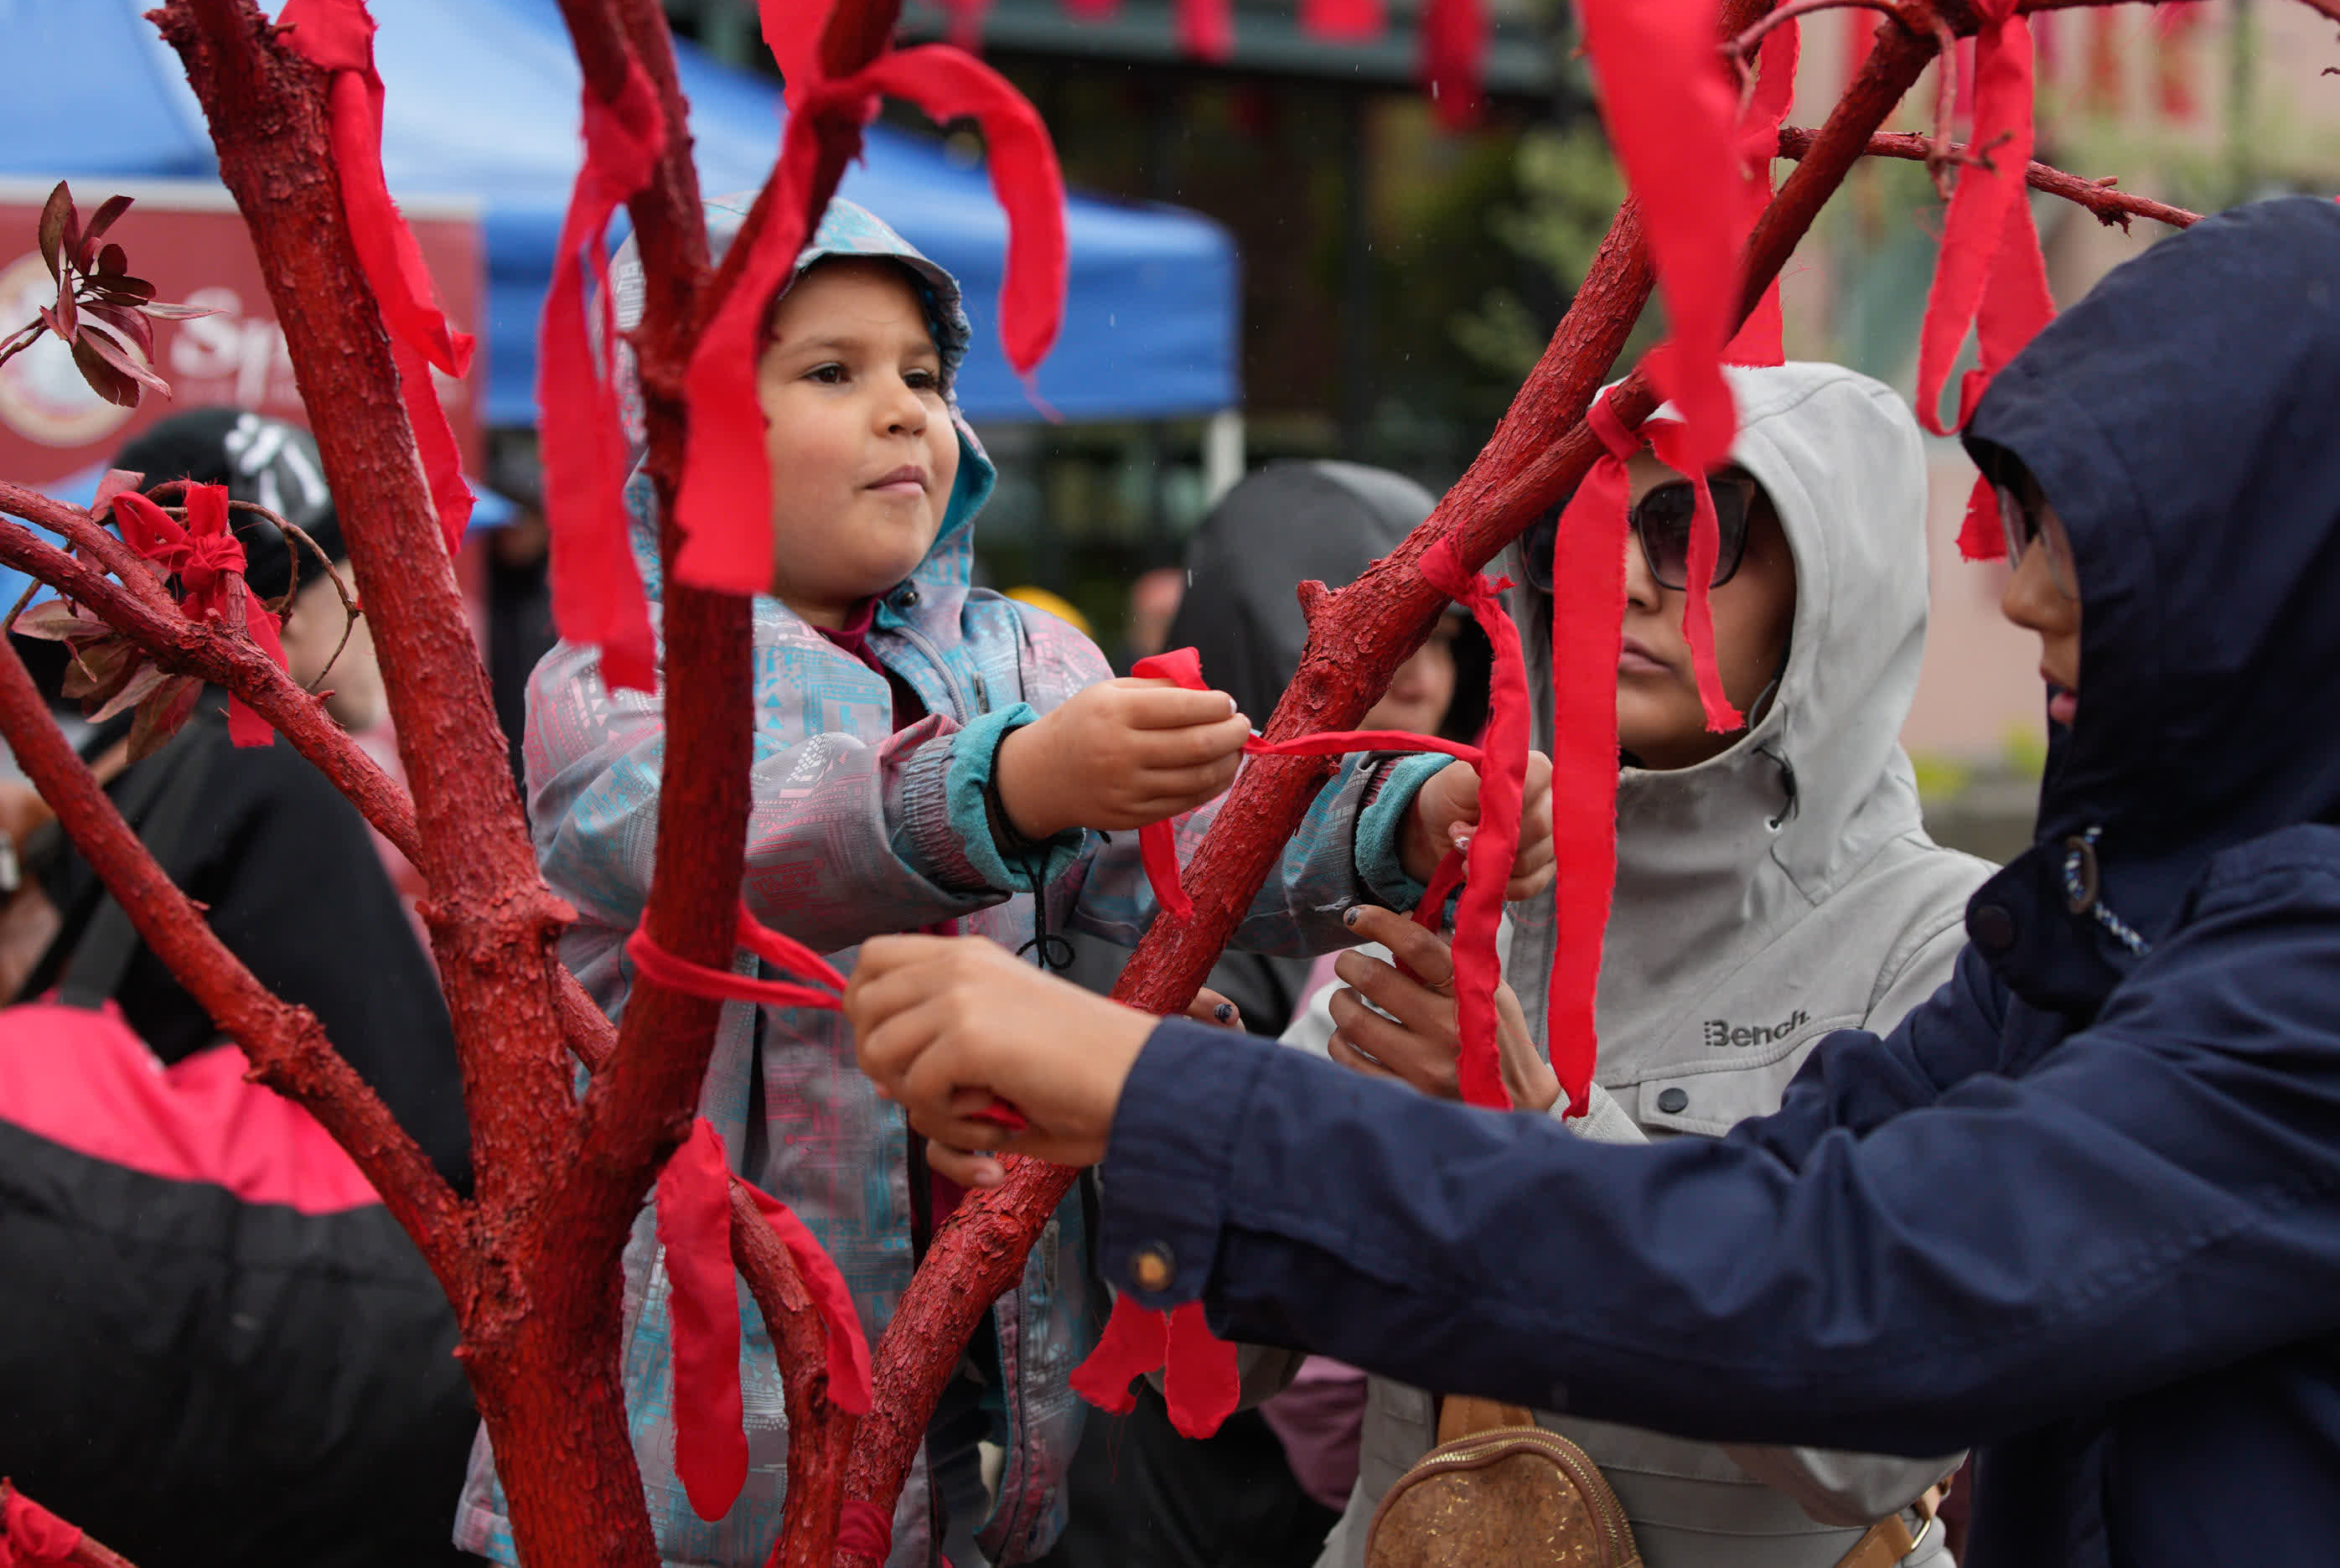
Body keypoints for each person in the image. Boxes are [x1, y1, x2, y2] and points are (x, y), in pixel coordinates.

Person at [843, 198, 2340, 1568]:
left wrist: (1181, 1094)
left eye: (1705, 534)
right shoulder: (2111, 900)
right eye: (2021, 515)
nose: (2025, 593)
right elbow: (1317, 1325)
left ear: (2287, 562)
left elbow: (1841, 1299)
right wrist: (1108, 1123)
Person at [452, 198, 1550, 1568]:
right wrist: (1009, 786)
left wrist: (1402, 817)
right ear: (678, 441)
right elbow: (743, 842)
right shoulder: (614, 681)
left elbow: (1197, 860)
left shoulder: (1034, 663)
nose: (903, 411)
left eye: (922, 375)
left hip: (974, 1429)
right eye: (830, 373)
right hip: (675, 1459)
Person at [1283, 364, 1990, 1567]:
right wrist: (1163, 1119)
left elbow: (1873, 1434)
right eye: (1593, 527)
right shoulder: (1476, 883)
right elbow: (1238, 1349)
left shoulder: (1947, 940)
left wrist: (1540, 1129)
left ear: (1839, 591)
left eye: (1694, 531)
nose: (1617, 579)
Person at [0, 406, 476, 1567]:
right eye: (353, 569)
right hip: (290, 1426)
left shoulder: (113, 793)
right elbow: (435, 1156)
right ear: (283, 603)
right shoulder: (275, 786)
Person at [1047, 459, 1481, 1568]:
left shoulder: (1474, 878)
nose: (1423, 682)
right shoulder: (1140, 883)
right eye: (1381, 647)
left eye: (1440, 644)